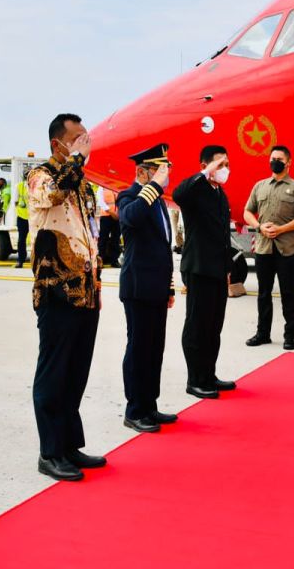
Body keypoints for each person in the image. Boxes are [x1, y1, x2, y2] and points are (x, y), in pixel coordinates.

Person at [26, 114, 107, 482]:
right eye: (76, 139)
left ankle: (70, 444)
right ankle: (50, 452)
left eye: (85, 137)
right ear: (57, 143)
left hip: (86, 291)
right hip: (57, 289)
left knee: (76, 373)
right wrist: (75, 160)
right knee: (54, 373)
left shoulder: (83, 185)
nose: (83, 144)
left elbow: (91, 232)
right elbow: (52, 194)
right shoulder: (40, 176)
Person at [116, 144, 178, 433]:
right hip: (138, 288)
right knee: (139, 349)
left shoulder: (159, 202)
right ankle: (134, 409)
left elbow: (164, 246)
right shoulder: (129, 197)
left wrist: (169, 287)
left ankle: (150, 406)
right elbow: (131, 218)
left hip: (155, 288)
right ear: (142, 171)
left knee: (155, 349)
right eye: (158, 170)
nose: (164, 176)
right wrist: (153, 186)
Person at [172, 145, 237, 400]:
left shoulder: (219, 193)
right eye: (220, 165)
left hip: (217, 269)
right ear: (205, 166)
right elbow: (179, 194)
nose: (225, 170)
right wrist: (205, 173)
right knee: (197, 326)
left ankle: (209, 374)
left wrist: (228, 268)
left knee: (213, 326)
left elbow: (223, 235)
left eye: (226, 164)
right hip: (198, 268)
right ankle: (195, 379)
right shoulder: (196, 190)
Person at [242, 145, 294, 350]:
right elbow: (247, 212)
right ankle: (262, 333)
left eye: (280, 159)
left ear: (288, 163)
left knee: (288, 293)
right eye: (272, 158)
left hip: (287, 250)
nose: (275, 161)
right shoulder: (260, 186)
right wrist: (258, 226)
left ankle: (290, 336)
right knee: (263, 293)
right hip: (264, 249)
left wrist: (282, 229)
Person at [96, 185, 121, 268]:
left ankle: (114, 260)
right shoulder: (101, 187)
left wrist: (118, 213)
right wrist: (111, 212)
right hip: (106, 216)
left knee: (116, 239)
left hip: (117, 216)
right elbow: (100, 201)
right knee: (103, 238)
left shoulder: (116, 186)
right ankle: (101, 260)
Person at [13, 176, 30, 268]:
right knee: (21, 240)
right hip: (23, 217)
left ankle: (36, 260)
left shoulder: (35, 186)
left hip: (33, 217)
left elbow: (15, 202)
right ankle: (20, 260)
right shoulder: (19, 186)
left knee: (36, 240)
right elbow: (16, 201)